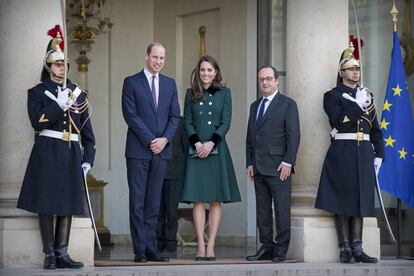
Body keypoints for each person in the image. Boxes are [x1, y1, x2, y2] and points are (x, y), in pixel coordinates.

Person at [17, 25, 96, 270]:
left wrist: (88, 159)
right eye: (58, 64)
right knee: (46, 202)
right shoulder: (38, 92)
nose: (62, 68)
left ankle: (62, 252)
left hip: (71, 153)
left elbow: (88, 132)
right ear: (49, 67)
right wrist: (58, 106)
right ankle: (49, 253)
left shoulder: (77, 94)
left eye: (65, 64)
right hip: (47, 150)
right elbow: (36, 121)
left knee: (67, 203)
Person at [315, 43, 384, 264]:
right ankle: (344, 247)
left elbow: (376, 128)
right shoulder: (332, 95)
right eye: (351, 68)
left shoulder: (367, 94)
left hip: (363, 152)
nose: (355, 71)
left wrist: (379, 154)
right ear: (341, 72)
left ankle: (358, 247)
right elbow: (339, 122)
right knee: (342, 199)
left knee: (360, 199)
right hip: (342, 150)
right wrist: (357, 105)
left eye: (357, 68)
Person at [122, 42, 180, 263]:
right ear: (147, 57)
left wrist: (164, 140)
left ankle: (151, 248)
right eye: (155, 57)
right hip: (138, 151)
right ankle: (139, 250)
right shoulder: (131, 82)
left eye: (162, 58)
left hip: (161, 151)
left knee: (154, 203)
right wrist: (150, 141)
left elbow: (175, 116)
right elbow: (131, 115)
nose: (158, 62)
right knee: (138, 201)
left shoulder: (169, 84)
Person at [181, 55, 241, 261]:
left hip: (217, 148)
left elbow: (226, 122)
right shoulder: (191, 94)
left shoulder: (225, 93)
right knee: (198, 199)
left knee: (215, 199)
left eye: (210, 70)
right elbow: (187, 122)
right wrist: (197, 143)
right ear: (198, 73)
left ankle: (211, 244)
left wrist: (211, 143)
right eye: (202, 70)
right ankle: (200, 244)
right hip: (195, 150)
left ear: (216, 72)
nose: (206, 73)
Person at [245, 65, 300, 262]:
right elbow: (250, 137)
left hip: (279, 167)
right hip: (258, 167)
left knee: (282, 209)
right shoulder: (255, 106)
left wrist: (288, 162)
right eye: (262, 79)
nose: (265, 82)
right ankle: (266, 246)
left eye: (269, 78)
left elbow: (294, 136)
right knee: (263, 210)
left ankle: (281, 248)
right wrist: (249, 162)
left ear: (277, 81)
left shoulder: (288, 104)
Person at [156, 116, 187, 258]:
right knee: (157, 210)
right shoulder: (156, 117)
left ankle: (170, 243)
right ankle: (158, 242)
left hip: (175, 171)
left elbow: (185, 146)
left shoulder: (180, 122)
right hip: (157, 170)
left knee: (171, 211)